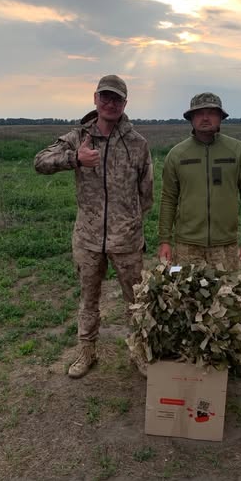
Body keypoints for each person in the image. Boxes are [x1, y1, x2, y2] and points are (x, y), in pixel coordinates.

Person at [34, 75, 154, 378]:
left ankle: (140, 352)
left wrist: (129, 221)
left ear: (125, 103)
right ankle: (86, 352)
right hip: (88, 239)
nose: (110, 103)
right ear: (95, 99)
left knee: (136, 301)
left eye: (117, 99)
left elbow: (147, 192)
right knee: (88, 299)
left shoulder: (137, 143)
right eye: (105, 97)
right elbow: (40, 162)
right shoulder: (78, 137)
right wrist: (75, 158)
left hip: (126, 240)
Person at [158, 92, 241, 374]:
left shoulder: (237, 151)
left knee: (228, 301)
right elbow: (168, 199)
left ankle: (232, 354)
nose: (205, 117)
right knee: (188, 301)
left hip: (225, 246)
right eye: (199, 113)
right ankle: (192, 355)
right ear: (191, 118)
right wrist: (165, 240)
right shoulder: (177, 154)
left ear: (220, 118)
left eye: (211, 112)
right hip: (186, 245)